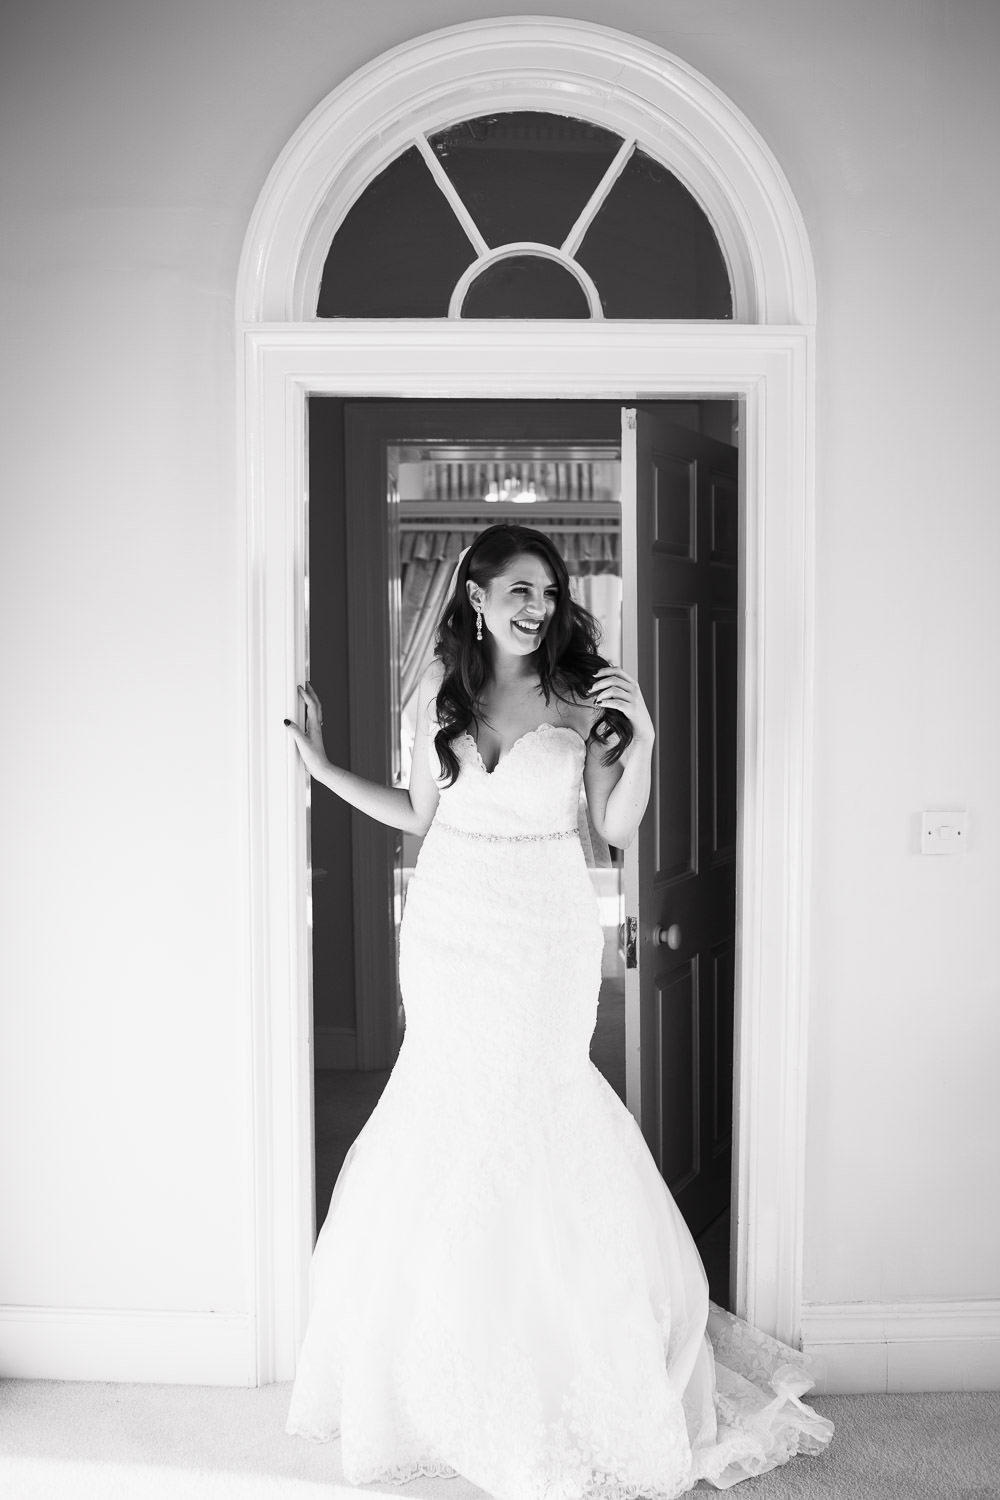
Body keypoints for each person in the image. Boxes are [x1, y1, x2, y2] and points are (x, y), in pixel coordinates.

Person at [283, 523, 833, 1499]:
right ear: (477, 597)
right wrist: (324, 775)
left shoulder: (583, 697)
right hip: (450, 927)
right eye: (518, 591)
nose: (536, 607)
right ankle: (440, 1371)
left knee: (541, 1112)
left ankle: (566, 1361)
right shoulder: (439, 695)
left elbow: (615, 827)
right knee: (446, 1119)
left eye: (548, 591)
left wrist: (647, 738)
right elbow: (424, 815)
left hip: (543, 925)